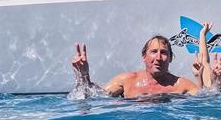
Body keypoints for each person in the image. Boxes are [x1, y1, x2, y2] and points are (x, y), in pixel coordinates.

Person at [71, 36, 199, 98]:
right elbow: (92, 95)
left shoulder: (181, 85)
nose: (158, 58)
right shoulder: (127, 80)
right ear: (144, 57)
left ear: (170, 58)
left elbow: (207, 99)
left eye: (164, 53)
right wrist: (83, 75)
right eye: (154, 52)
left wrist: (200, 77)